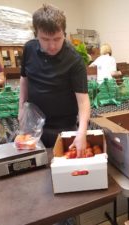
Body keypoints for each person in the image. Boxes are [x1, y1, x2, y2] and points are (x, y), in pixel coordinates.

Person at [19, 4, 90, 159]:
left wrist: (81, 133)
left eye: (57, 39)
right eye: (45, 39)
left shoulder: (74, 60)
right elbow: (24, 79)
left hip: (63, 128)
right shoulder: (29, 49)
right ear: (36, 34)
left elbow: (83, 101)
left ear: (64, 33)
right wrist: (21, 108)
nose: (52, 46)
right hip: (33, 125)